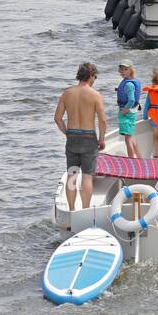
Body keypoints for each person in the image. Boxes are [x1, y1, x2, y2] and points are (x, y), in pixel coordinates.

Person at [54, 62, 107, 211]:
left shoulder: (67, 93)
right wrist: (101, 139)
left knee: (72, 175)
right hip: (89, 138)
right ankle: (85, 210)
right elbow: (102, 121)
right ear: (91, 76)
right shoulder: (95, 95)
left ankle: (71, 210)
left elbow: (57, 118)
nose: (95, 79)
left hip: (72, 137)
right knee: (87, 176)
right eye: (95, 77)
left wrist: (67, 133)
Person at [114, 62, 143, 159]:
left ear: (131, 70)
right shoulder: (130, 81)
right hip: (132, 112)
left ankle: (131, 160)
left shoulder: (129, 84)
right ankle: (139, 157)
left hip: (128, 113)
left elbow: (131, 100)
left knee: (127, 138)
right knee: (131, 136)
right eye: (121, 69)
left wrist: (124, 111)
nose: (122, 72)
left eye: (125, 69)